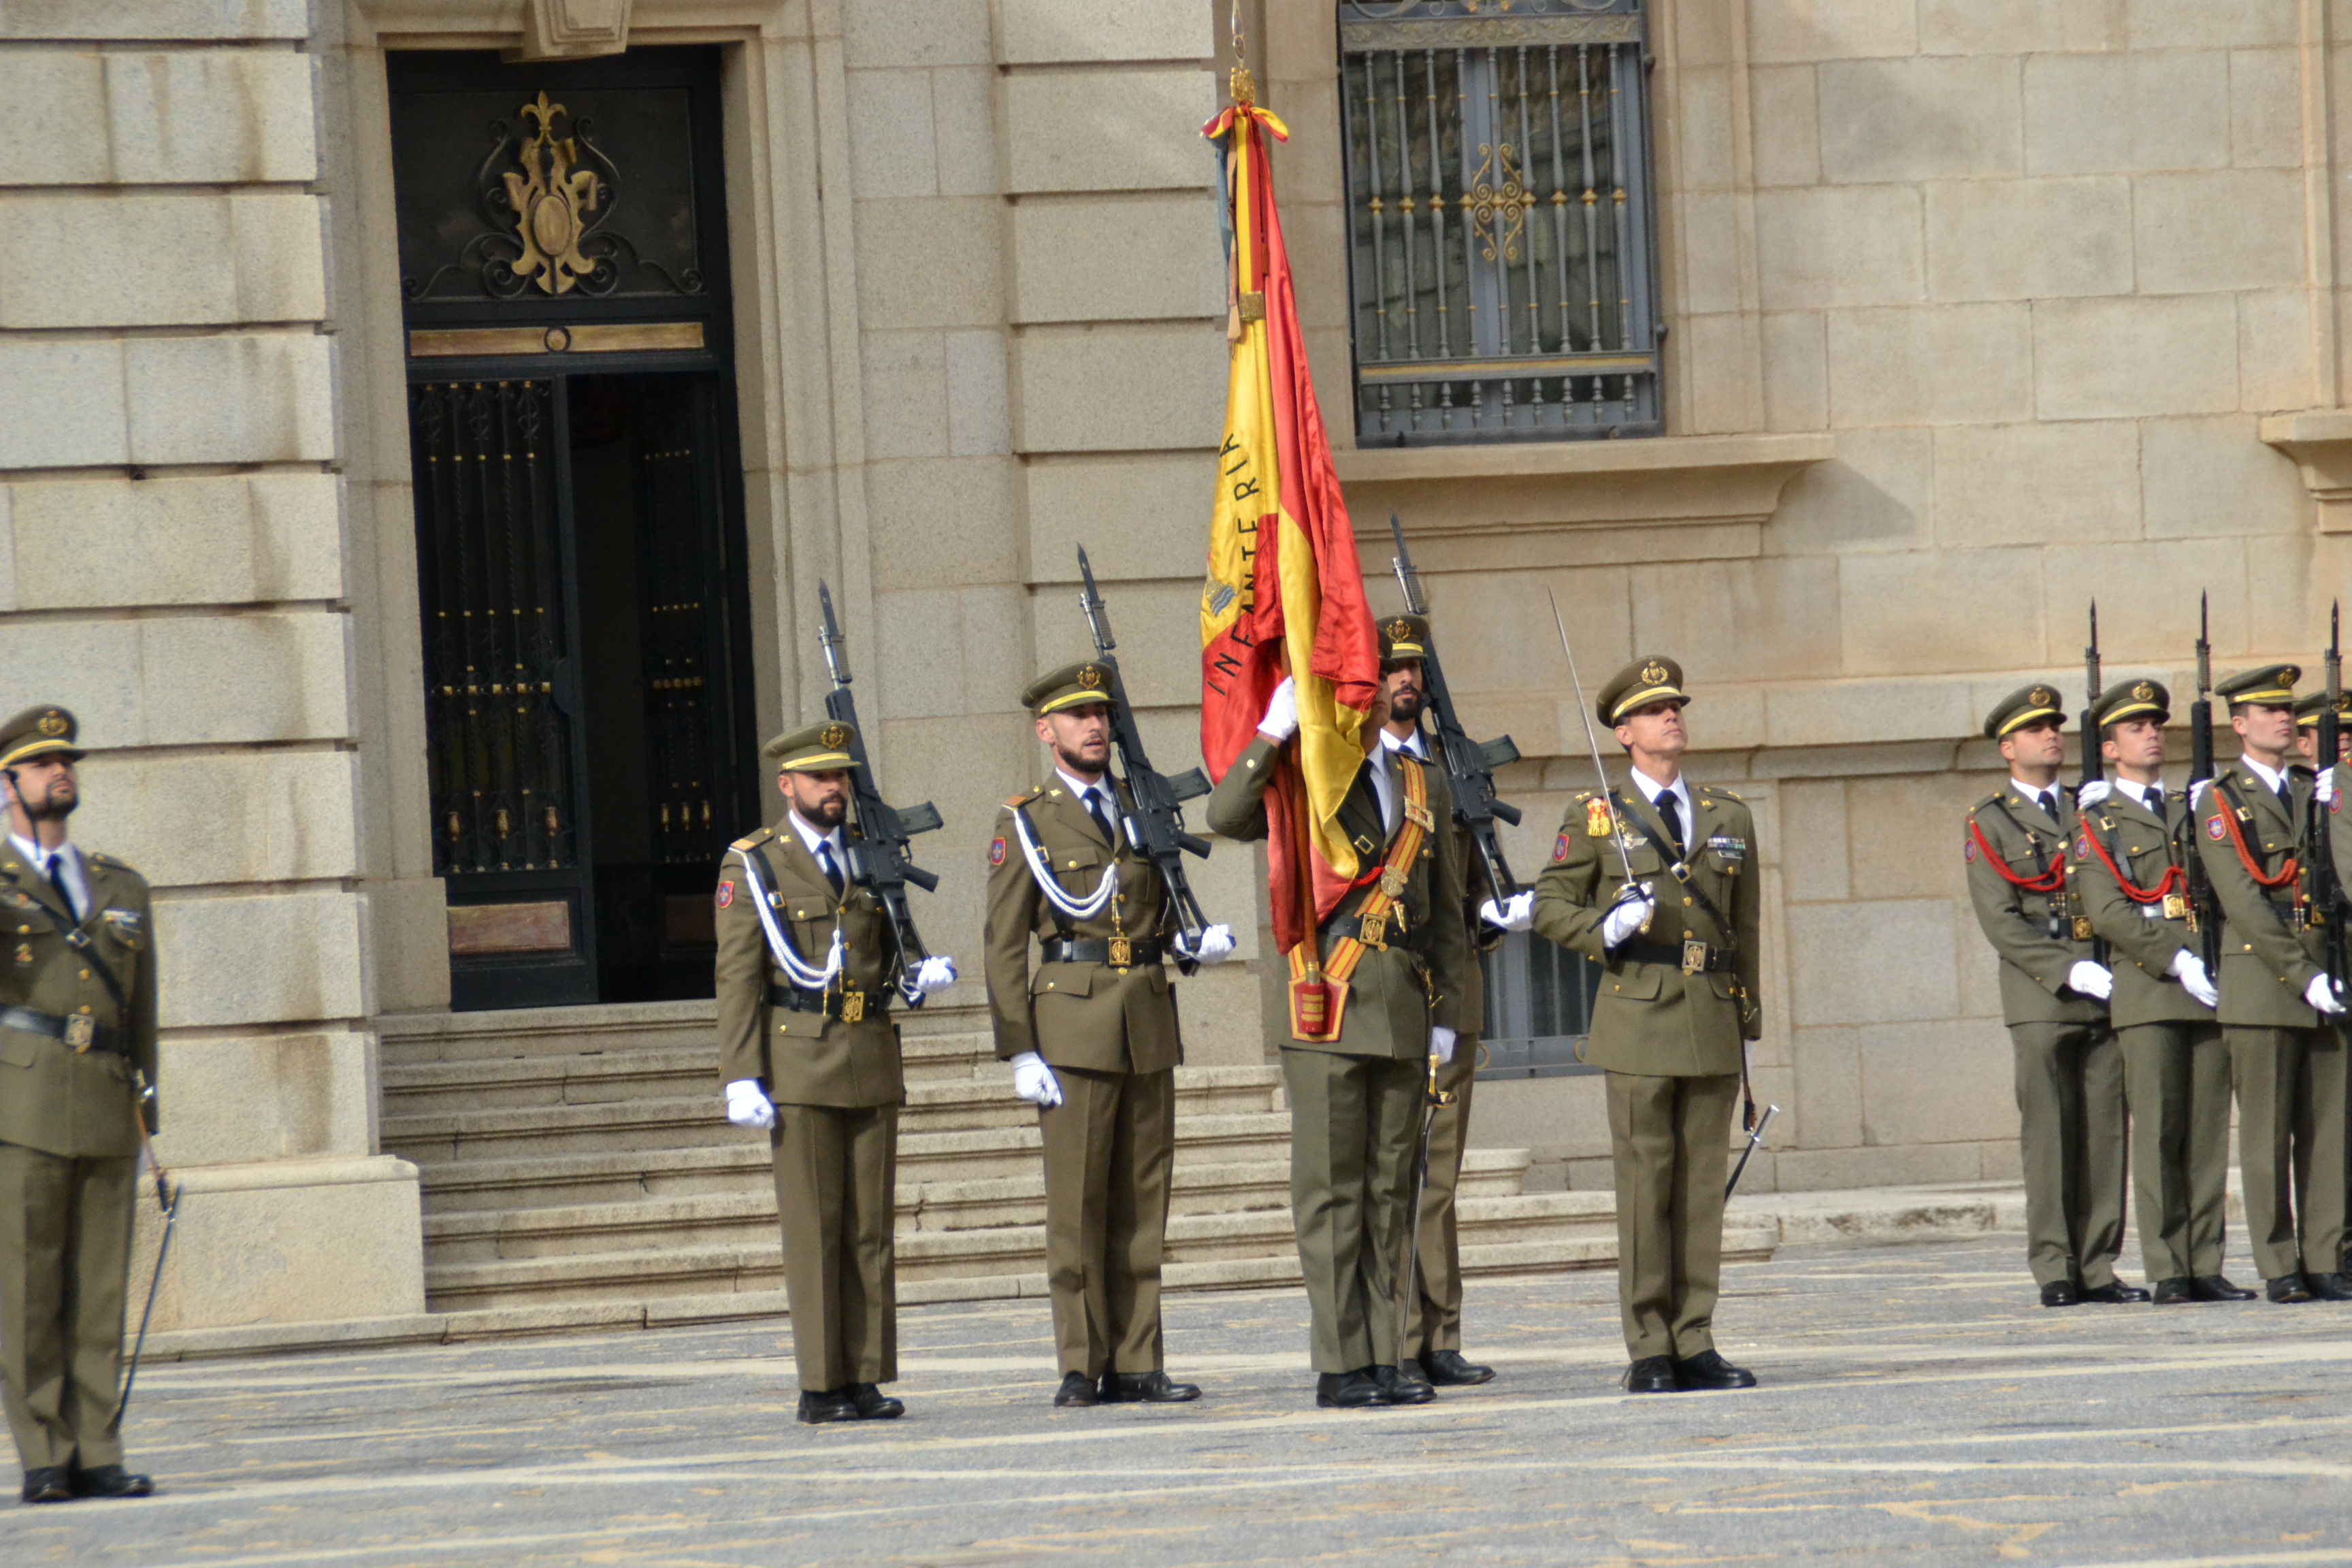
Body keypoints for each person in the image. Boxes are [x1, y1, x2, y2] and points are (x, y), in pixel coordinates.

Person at [1207, 670, 1467, 1408]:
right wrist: (1273, 731)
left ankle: (1386, 1356)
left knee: (1391, 1191)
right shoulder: (1304, 771)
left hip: (1404, 1008)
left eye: (1392, 677)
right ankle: (1340, 1361)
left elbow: (1444, 908)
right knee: (1331, 1192)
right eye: (1374, 672)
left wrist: (1448, 1011)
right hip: (1329, 998)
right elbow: (1224, 814)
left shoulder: (1422, 782)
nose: (1387, 686)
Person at [985, 663, 1231, 1408]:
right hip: (1072, 1022)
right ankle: (1079, 1362)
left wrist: (1190, 944)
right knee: (1079, 1205)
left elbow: (1154, 913)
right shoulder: (1027, 820)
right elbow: (1003, 943)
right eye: (1077, 716)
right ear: (1045, 730)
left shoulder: (1141, 805)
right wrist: (1020, 1048)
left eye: (1101, 714)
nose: (1094, 726)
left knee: (1141, 1202)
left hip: (1146, 1019)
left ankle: (1137, 1360)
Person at [1530, 657, 1762, 1393]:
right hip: (1639, 1013)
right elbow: (1548, 906)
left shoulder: (1728, 814)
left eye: (1677, 706)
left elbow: (1745, 924)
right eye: (1655, 710)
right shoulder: (1595, 813)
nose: (1673, 717)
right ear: (1624, 732)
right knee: (1645, 1184)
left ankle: (1696, 1338)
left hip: (1711, 1014)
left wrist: (1746, 1013)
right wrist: (1609, 926)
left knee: (1699, 1191)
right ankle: (1649, 1346)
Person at [715, 720, 956, 1423]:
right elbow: (737, 978)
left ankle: (867, 1375)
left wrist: (914, 980)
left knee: (870, 1229)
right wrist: (740, 1074)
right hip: (799, 1057)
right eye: (821, 778)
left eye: (842, 776)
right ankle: (822, 1382)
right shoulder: (756, 864)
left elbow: (879, 957)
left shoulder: (869, 855)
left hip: (869, 1051)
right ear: (787, 784)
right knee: (816, 1229)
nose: (835, 789)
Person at [0, 704, 159, 1502]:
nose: (59, 773)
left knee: (98, 1290)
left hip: (104, 1097)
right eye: (39, 764)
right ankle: (42, 1455)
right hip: (18, 1105)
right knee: (27, 1289)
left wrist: (148, 1116)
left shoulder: (121, 884)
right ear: (8, 785)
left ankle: (98, 1447)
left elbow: (144, 1013)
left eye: (65, 761)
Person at [2072, 681, 2249, 1304]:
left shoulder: (2193, 808)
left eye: (2156, 724)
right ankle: (2168, 1266)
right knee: (2157, 1133)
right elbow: (2109, 910)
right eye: (2136, 727)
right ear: (2110, 747)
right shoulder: (2098, 820)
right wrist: (2175, 959)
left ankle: (2206, 1261)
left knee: (2206, 1137)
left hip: (2211, 987)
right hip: (2150, 992)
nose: (2152, 734)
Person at [1965, 684, 2140, 1308]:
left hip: (2108, 983)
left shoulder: (2090, 807)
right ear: (2007, 747)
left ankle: (2098, 1263)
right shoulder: (1990, 820)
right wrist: (2067, 971)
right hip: (2043, 994)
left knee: (2103, 1132)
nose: (2051, 736)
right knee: (2050, 1133)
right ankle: (2054, 1267)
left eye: (2056, 727)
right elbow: (2002, 922)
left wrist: (2112, 811)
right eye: (2036, 729)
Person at [1375, 615, 1511, 1389]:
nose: (1406, 681)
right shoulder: (1361, 771)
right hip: (1388, 993)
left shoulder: (1451, 771)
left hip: (1450, 1002)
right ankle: (1391, 1338)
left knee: (1441, 1178)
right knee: (1394, 1177)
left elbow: (1473, 884)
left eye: (1415, 669)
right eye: (1393, 669)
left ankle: (1440, 1334)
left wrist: (1497, 911)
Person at [2193, 666, 2351, 1302]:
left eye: (2288, 711)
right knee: (2267, 1136)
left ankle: (2327, 1255)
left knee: (2330, 1132)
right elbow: (2245, 902)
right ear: (2239, 724)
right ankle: (2280, 1264)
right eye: (2267, 711)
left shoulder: (2318, 788)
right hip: (2264, 982)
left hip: (2329, 975)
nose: (2283, 719)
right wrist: (2303, 974)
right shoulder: (2219, 800)